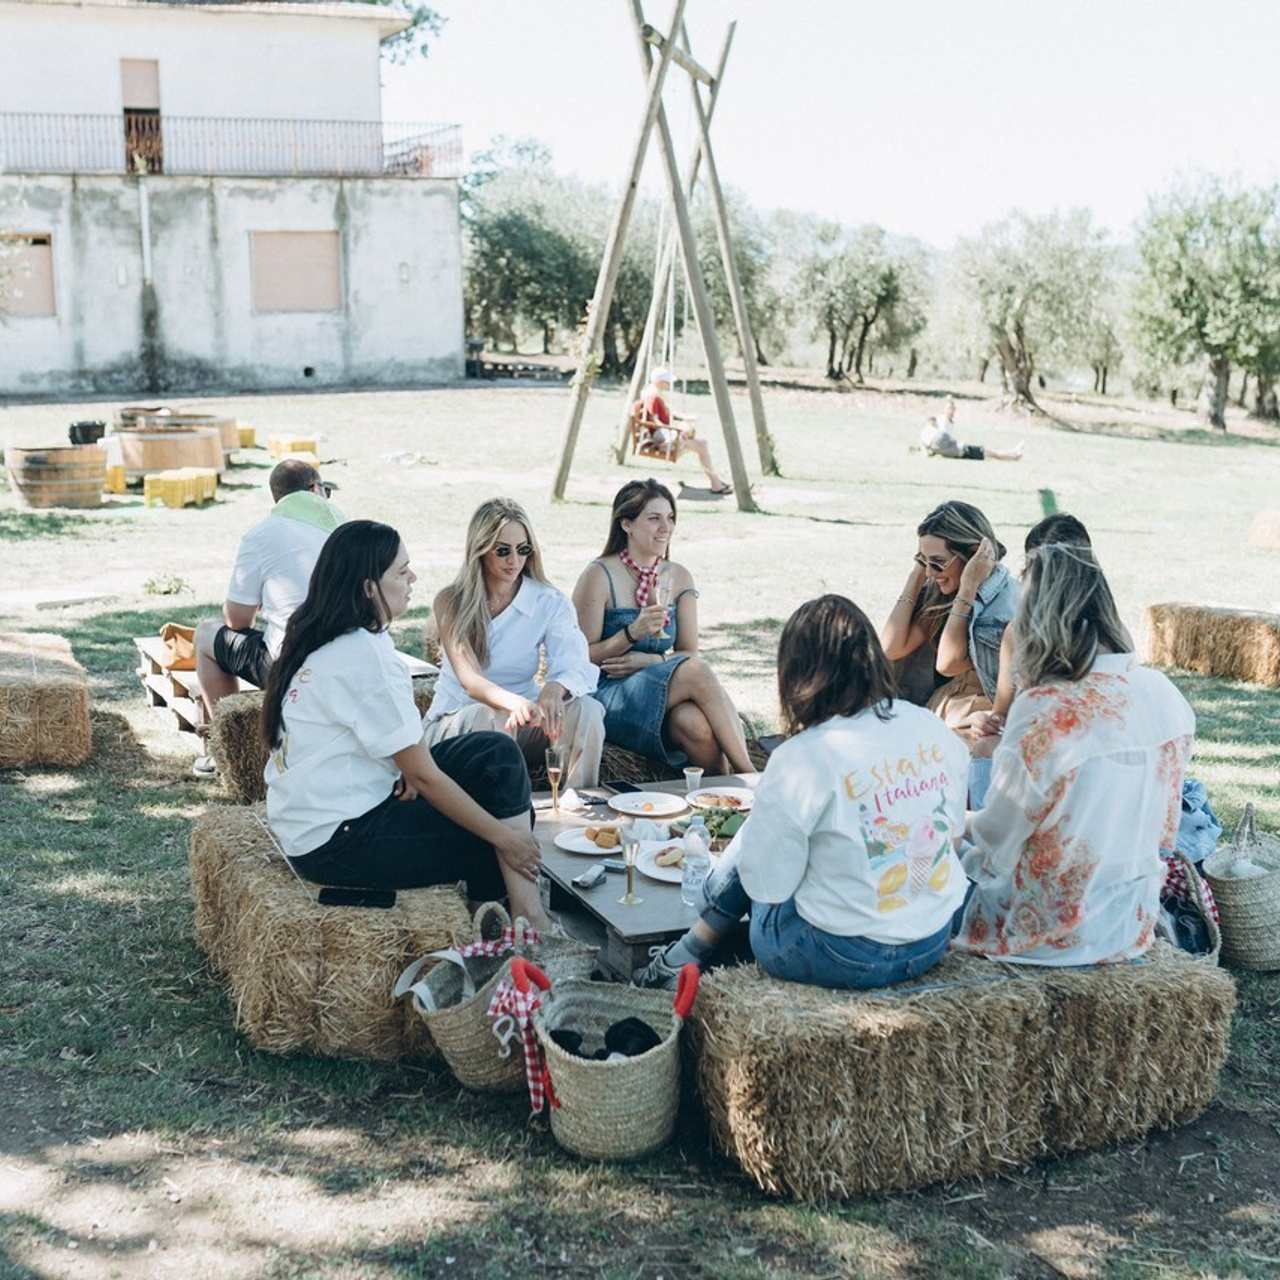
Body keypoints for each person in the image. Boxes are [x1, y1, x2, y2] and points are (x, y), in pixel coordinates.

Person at [634, 594, 968, 990]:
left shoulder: (804, 754)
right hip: (932, 937)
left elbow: (766, 885)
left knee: (761, 835)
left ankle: (685, 951)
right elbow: (955, 836)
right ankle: (688, 944)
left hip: (841, 955)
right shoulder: (930, 727)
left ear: (797, 675)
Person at [262, 520, 555, 931]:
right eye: (401, 572)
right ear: (369, 587)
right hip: (335, 843)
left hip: (329, 814)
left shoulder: (334, 636)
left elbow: (407, 758)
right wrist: (507, 840)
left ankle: (520, 914)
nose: (413, 578)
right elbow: (425, 776)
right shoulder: (363, 656)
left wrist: (408, 772)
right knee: (497, 831)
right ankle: (509, 929)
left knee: (495, 753)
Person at [955, 543, 1195, 965]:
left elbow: (997, 837)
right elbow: (1165, 831)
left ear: (1036, 619)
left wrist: (949, 821)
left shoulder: (1046, 708)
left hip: (1040, 933)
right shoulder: (1165, 693)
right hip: (1128, 922)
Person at [573, 478, 753, 775]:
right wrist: (632, 633)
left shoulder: (679, 576)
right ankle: (751, 777)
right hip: (606, 694)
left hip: (657, 687)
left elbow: (689, 652)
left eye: (670, 518)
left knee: (694, 725)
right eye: (654, 518)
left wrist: (649, 661)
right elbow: (579, 658)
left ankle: (724, 801)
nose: (665, 527)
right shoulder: (599, 575)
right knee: (697, 672)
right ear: (626, 524)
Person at [424, 498, 604, 790]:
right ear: (480, 550)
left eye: (523, 549)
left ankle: (577, 802)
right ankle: (503, 816)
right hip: (460, 720)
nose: (514, 560)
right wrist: (514, 703)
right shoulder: (451, 601)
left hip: (522, 722)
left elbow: (574, 661)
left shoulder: (549, 601)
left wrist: (553, 688)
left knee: (588, 711)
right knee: (489, 716)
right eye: (502, 550)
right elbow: (470, 681)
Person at [192, 458, 344, 776]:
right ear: (316, 489)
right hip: (353, 660)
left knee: (206, 633)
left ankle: (226, 750)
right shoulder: (351, 530)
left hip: (294, 666)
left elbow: (237, 622)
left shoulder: (261, 535)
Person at [880, 500, 1019, 736]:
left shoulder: (994, 610)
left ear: (974, 554)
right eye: (923, 560)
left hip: (974, 717)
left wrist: (967, 590)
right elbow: (891, 648)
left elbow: (948, 664)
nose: (930, 572)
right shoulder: (943, 587)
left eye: (938, 562)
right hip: (945, 708)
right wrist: (916, 576)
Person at [638, 367, 732, 494]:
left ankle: (716, 481)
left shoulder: (656, 394)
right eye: (666, 381)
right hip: (661, 435)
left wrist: (686, 418)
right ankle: (716, 483)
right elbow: (655, 420)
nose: (669, 384)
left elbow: (669, 413)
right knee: (701, 445)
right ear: (659, 381)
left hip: (664, 433)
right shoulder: (653, 397)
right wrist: (674, 430)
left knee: (701, 443)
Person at [920, 396, 1023, 461]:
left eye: (952, 408)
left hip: (959, 448)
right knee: (991, 453)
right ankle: (1014, 455)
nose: (951, 410)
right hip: (962, 450)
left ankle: (1013, 453)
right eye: (949, 408)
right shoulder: (941, 421)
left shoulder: (948, 424)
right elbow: (940, 441)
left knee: (991, 453)